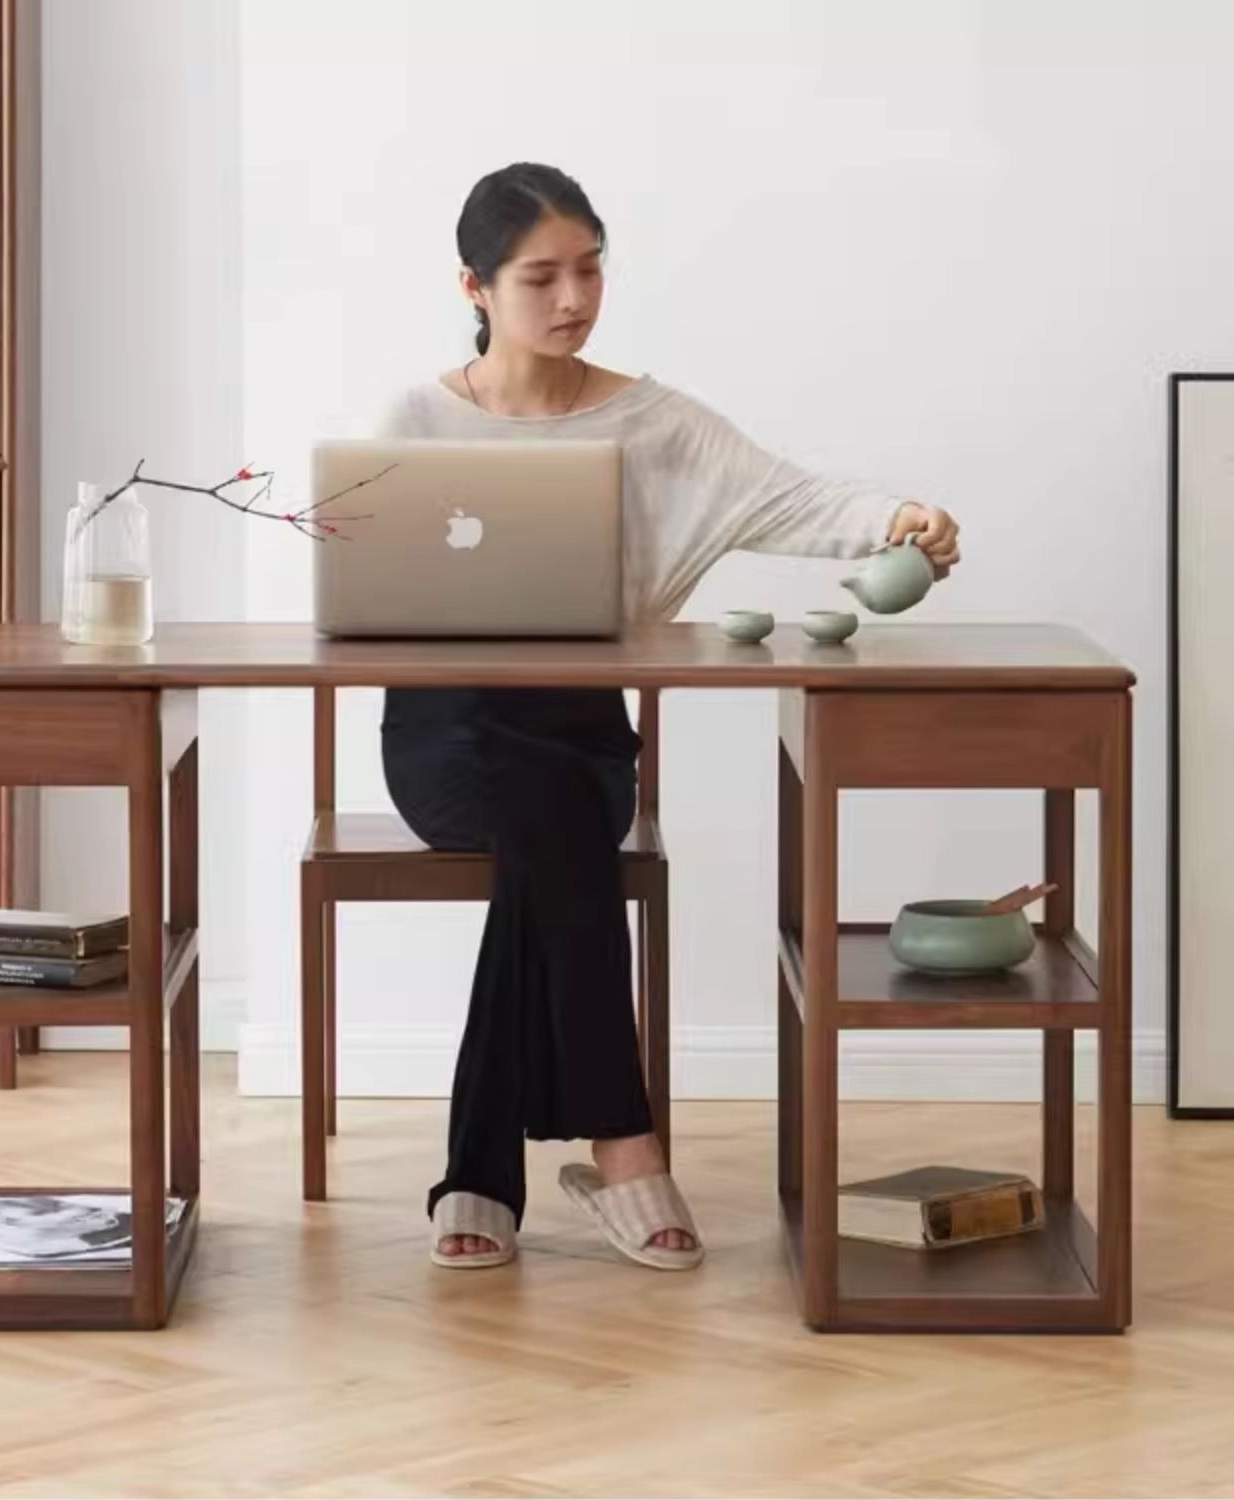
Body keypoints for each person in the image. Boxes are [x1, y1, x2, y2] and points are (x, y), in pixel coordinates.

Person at [372, 162, 961, 1272]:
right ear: (475, 286)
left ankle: (479, 1173)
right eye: (540, 275)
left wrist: (905, 516)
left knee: (548, 830)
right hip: (443, 738)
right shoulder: (412, 415)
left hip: (581, 737)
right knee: (550, 829)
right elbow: (362, 585)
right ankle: (625, 1149)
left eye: (590, 269)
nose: (573, 298)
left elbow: (794, 495)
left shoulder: (657, 421)